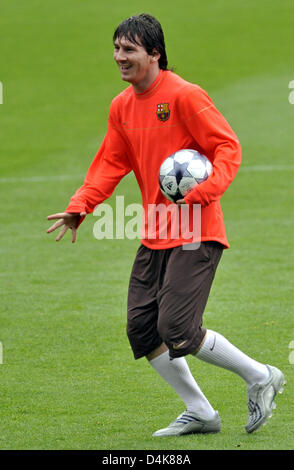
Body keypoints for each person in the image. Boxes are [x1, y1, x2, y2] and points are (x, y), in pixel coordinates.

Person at [47, 13, 285, 436]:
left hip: (197, 228)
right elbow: (110, 162)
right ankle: (201, 413)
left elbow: (227, 147)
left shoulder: (184, 96)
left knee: (176, 326)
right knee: (142, 328)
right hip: (156, 231)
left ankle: (260, 375)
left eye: (129, 49)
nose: (119, 57)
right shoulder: (121, 106)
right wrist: (80, 205)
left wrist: (201, 193)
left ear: (154, 53)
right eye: (117, 48)